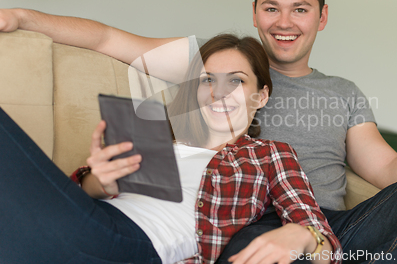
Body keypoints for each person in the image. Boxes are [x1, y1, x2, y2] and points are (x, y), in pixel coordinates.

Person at [1, 0, 397, 263]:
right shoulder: (212, 62)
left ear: (321, 17)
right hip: (239, 223)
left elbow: (388, 168)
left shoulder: (342, 92)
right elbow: (109, 37)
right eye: (271, 7)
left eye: (299, 8)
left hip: (330, 224)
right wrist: (23, 15)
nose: (284, 21)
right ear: (255, 12)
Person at [0, 34, 342, 264]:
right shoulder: (157, 135)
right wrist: (96, 182)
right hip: (83, 218)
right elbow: (77, 195)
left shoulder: (268, 155)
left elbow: (327, 244)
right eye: (208, 80)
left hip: (135, 245)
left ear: (262, 95)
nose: (218, 92)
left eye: (236, 81)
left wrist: (304, 236)